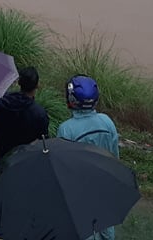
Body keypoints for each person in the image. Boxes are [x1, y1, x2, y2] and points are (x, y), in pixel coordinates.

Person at [57, 75, 120, 240]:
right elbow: (114, 157)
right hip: (103, 184)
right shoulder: (107, 122)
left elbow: (62, 166)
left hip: (78, 189)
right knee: (106, 227)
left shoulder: (66, 129)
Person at [0, 66, 50, 162]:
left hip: (2, 153)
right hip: (24, 160)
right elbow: (43, 141)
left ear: (19, 82)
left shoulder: (2, 102)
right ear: (37, 85)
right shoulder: (40, 113)